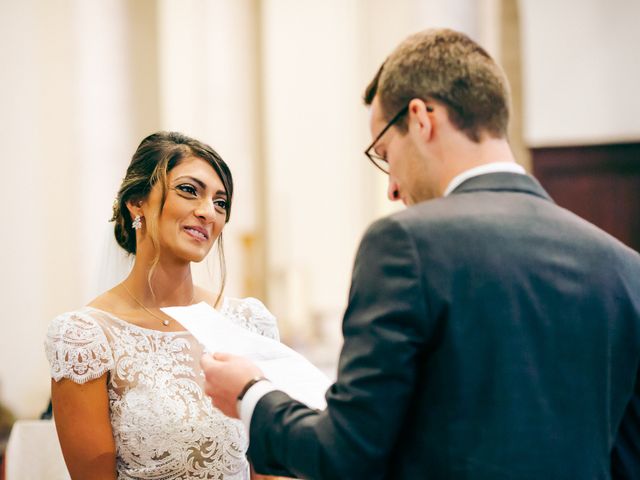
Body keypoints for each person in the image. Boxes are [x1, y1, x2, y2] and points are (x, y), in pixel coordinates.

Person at [200, 28, 640, 479]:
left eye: (386, 153)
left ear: (421, 118)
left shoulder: (407, 244)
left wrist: (251, 394)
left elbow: (345, 453)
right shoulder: (623, 267)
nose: (391, 186)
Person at [45, 131, 281, 479]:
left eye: (221, 202)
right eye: (189, 190)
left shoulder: (249, 322)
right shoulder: (84, 339)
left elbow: (271, 465)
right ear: (137, 201)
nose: (208, 213)